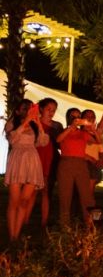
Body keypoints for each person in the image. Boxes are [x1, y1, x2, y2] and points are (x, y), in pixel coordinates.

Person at [6, 100, 45, 241]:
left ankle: (17, 234)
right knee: (14, 201)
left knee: (24, 201)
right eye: (25, 108)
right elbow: (12, 139)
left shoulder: (34, 125)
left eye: (30, 108)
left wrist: (38, 123)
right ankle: (12, 236)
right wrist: (25, 122)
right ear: (17, 111)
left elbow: (43, 141)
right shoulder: (12, 124)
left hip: (31, 160)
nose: (28, 110)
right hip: (17, 159)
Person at [56, 110, 98, 228]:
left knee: (86, 195)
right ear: (68, 117)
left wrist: (93, 130)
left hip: (81, 164)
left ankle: (90, 224)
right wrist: (71, 127)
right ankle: (64, 225)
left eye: (79, 116)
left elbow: (96, 142)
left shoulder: (82, 133)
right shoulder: (65, 131)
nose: (76, 118)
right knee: (65, 195)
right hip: (66, 163)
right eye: (73, 116)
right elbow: (58, 140)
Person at [35, 98, 60, 226]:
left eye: (54, 110)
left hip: (49, 158)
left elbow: (60, 143)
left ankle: (44, 220)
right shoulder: (34, 123)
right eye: (48, 109)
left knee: (45, 189)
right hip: (35, 156)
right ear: (41, 109)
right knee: (32, 189)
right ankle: (26, 217)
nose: (51, 112)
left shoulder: (56, 126)